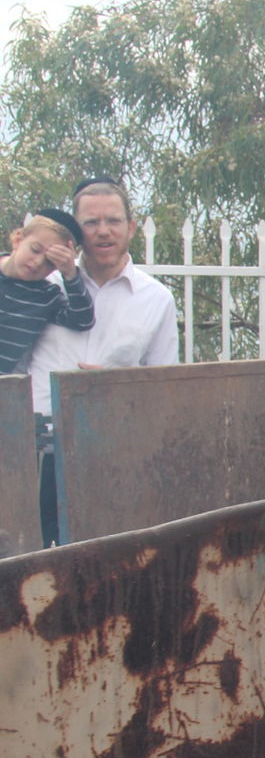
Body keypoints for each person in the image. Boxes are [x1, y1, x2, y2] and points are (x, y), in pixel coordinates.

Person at [21, 179, 179, 547]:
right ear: (75, 232)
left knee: (105, 563)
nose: (103, 231)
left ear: (131, 227)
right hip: (37, 454)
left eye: (113, 220)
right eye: (91, 223)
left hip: (114, 453)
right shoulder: (45, 285)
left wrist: (118, 384)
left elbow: (164, 385)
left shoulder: (156, 299)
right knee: (28, 563)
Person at [1, 208, 90, 375]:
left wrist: (70, 274)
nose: (37, 262)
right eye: (35, 249)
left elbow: (82, 320)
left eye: (50, 262)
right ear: (18, 240)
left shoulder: (46, 297)